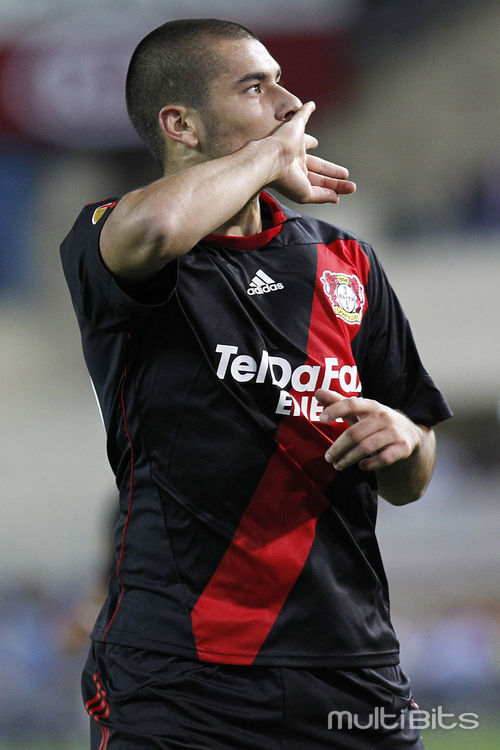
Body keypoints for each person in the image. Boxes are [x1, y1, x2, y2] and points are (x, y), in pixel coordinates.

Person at [60, 18, 453, 750]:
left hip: (350, 664)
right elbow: (157, 227)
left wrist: (404, 439)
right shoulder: (116, 237)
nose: (289, 103)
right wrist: (273, 154)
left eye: (280, 82)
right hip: (178, 675)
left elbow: (412, 478)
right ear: (181, 124)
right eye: (254, 87)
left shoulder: (347, 261)